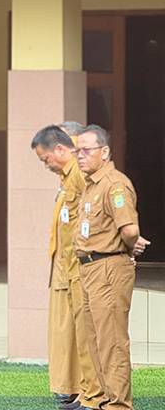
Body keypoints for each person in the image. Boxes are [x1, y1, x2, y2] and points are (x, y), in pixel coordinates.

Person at [74, 124, 149, 410]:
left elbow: (129, 229)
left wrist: (129, 247)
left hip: (108, 267)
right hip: (89, 267)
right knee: (95, 340)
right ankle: (104, 399)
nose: (80, 156)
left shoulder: (114, 184)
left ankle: (118, 405)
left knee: (112, 342)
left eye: (86, 150)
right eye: (77, 151)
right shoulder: (91, 184)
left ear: (104, 152)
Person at [31, 124, 106, 410]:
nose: (46, 165)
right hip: (68, 266)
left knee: (88, 336)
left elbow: (96, 218)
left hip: (84, 268)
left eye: (46, 158)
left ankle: (95, 396)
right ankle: (82, 393)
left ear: (62, 147)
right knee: (73, 334)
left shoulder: (81, 176)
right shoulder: (67, 178)